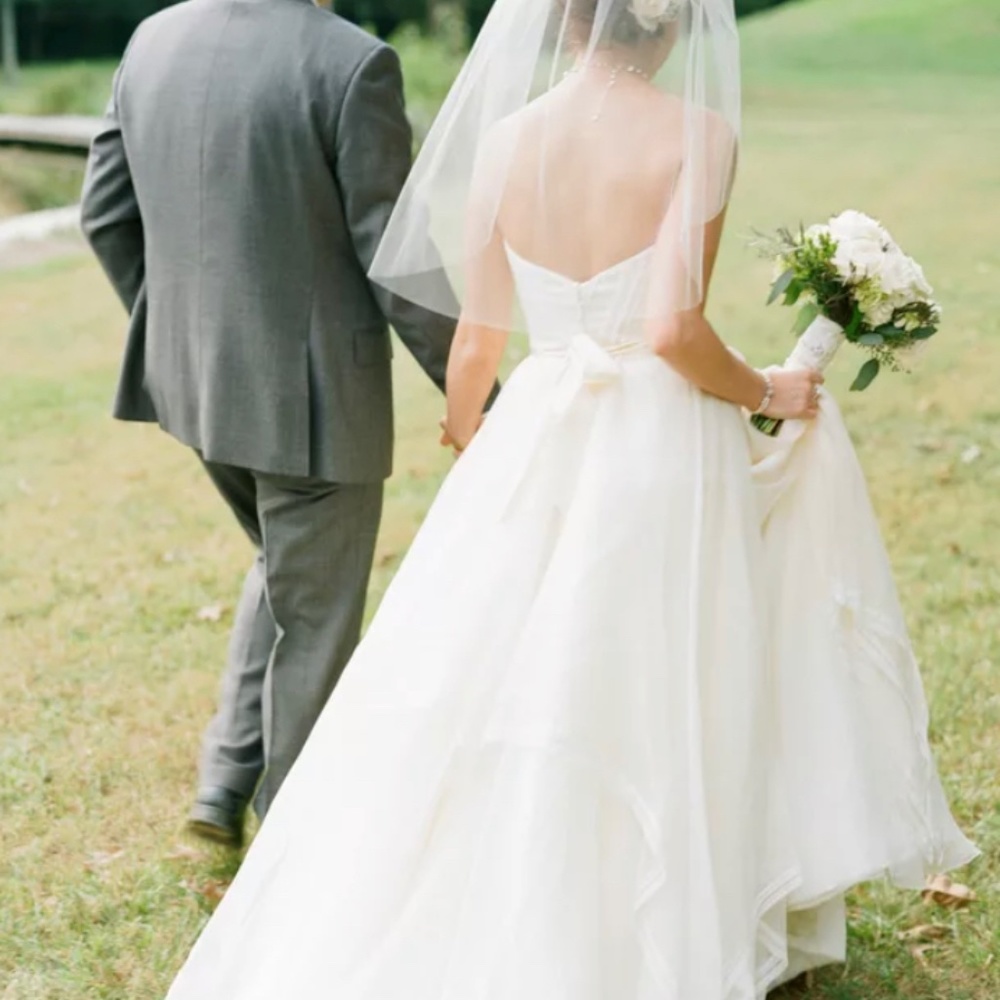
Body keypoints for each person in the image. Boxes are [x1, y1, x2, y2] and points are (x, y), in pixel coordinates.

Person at [165, 0, 977, 995]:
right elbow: (673, 329)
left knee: (504, 663)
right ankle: (669, 910)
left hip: (538, 420)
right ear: (671, 26)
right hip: (656, 431)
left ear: (566, 22)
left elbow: (474, 340)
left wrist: (472, 431)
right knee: (661, 668)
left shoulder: (508, 138)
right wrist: (768, 390)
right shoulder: (698, 135)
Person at [80, 0, 457, 846]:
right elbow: (396, 257)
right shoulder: (354, 62)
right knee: (318, 620)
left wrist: (181, 329)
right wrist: (472, 387)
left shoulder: (153, 39)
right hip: (311, 406)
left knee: (286, 564)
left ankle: (223, 778)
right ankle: (296, 841)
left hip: (195, 388)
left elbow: (103, 214)